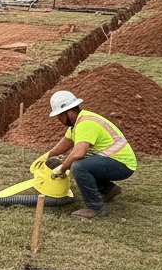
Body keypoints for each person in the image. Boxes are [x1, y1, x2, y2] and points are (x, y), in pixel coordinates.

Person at [44, 90, 137, 219]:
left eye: (60, 115)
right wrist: (48, 155)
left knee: (78, 166)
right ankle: (108, 190)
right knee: (78, 163)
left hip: (122, 164)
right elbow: (67, 142)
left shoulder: (85, 123)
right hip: (111, 161)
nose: (58, 119)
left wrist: (62, 168)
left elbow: (78, 153)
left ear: (70, 111)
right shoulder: (76, 124)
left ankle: (95, 208)